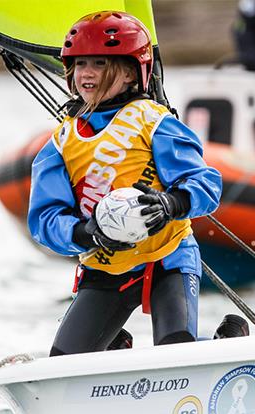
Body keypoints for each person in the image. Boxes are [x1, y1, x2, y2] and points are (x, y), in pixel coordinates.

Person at [27, 11, 223, 355]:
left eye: (100, 63)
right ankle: (116, 348)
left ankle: (227, 343)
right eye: (80, 64)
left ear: (132, 71)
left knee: (175, 349)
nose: (87, 74)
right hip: (105, 267)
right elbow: (45, 219)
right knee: (63, 361)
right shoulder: (58, 144)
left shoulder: (155, 122)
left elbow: (206, 182)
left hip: (169, 258)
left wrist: (171, 203)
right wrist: (84, 233)